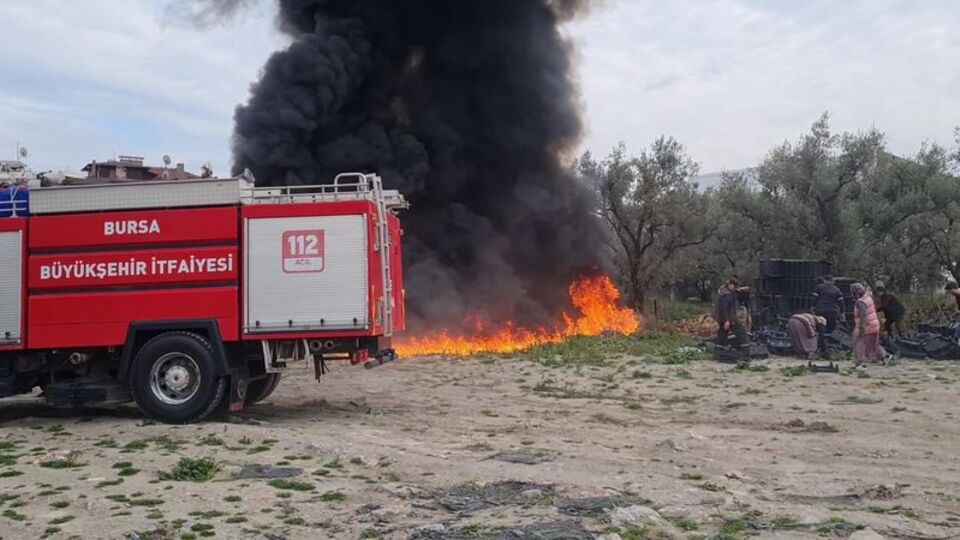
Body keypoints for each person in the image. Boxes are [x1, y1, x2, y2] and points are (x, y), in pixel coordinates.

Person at [850, 282, 888, 370]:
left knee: (858, 343)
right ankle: (884, 356)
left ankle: (861, 363)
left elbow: (863, 314)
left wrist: (861, 327)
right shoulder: (868, 297)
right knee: (873, 344)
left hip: (866, 325)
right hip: (874, 324)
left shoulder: (860, 302)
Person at [715, 278, 749, 359]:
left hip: (721, 318)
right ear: (730, 285)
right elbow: (724, 308)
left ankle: (719, 352)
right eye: (735, 286)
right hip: (730, 318)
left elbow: (734, 292)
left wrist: (740, 289)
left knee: (722, 334)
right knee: (742, 332)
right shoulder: (727, 295)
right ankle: (745, 353)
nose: (736, 288)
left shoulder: (723, 290)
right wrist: (726, 321)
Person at [812, 275, 843, 356]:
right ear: (832, 280)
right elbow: (841, 302)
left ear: (824, 280)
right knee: (831, 329)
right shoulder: (837, 289)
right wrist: (842, 313)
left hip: (820, 311)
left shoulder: (819, 287)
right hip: (832, 311)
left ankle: (820, 347)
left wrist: (812, 307)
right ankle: (831, 347)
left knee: (820, 329)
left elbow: (814, 298)